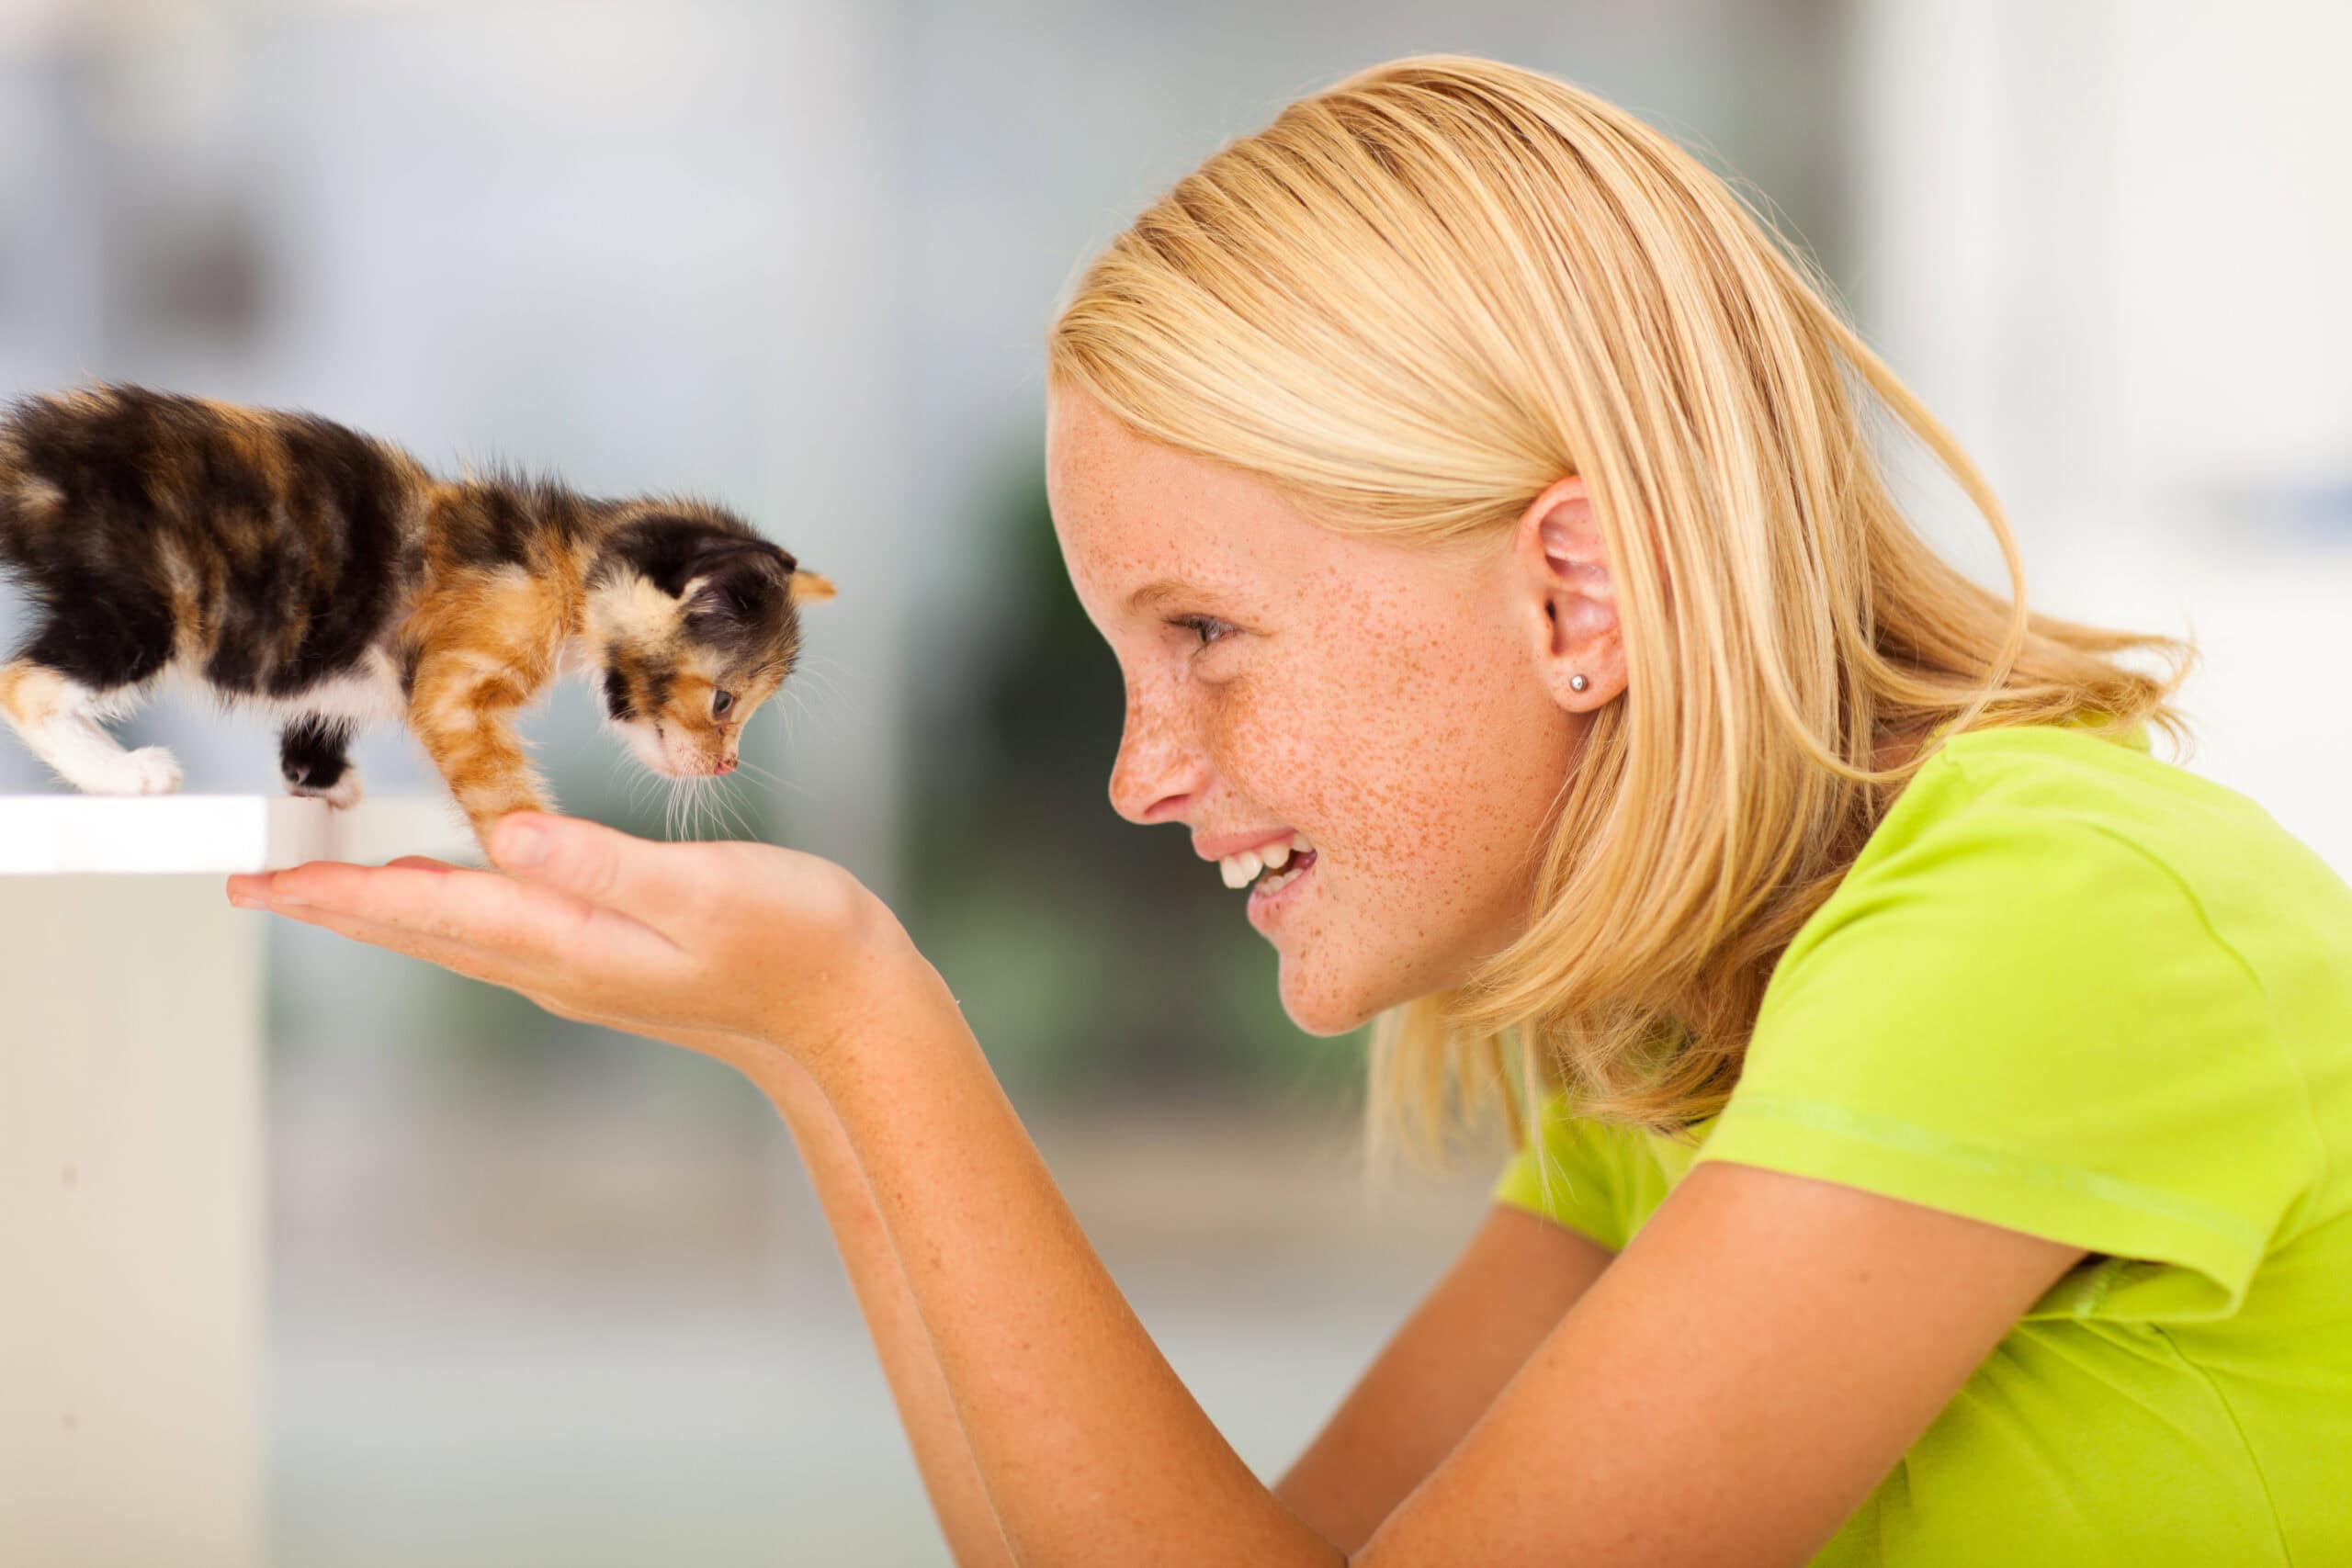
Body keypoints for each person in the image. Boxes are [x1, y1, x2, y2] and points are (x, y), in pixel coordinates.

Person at [227, 53, 2352, 1567]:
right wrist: (817, 1051)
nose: (1141, 770)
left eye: (1207, 633)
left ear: (1571, 588)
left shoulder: (2047, 917)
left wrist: (877, 1019)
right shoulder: (1700, 1038)